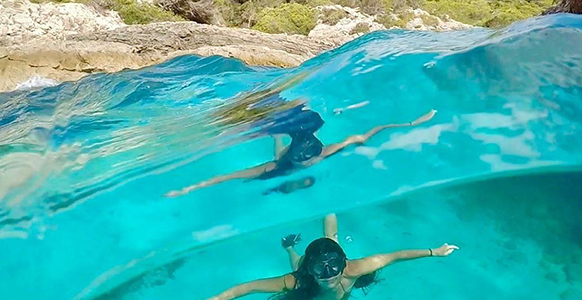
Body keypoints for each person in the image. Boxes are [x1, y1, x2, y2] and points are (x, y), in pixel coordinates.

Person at [189, 213, 458, 300]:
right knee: (297, 261)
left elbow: (395, 255)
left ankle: (328, 207)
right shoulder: (297, 280)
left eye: (333, 267)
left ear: (343, 263)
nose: (328, 274)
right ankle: (290, 248)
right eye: (320, 269)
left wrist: (434, 252)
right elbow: (249, 287)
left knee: (330, 240)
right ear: (312, 270)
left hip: (328, 268)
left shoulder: (355, 268)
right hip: (307, 281)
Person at [167, 108, 437, 197]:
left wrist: (411, 123)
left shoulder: (324, 152)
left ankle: (280, 133)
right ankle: (276, 133)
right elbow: (227, 176)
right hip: (283, 162)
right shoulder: (276, 167)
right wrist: (187, 189)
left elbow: (364, 135)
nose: (310, 162)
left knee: (284, 150)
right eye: (305, 160)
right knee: (277, 157)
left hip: (290, 156)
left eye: (312, 157)